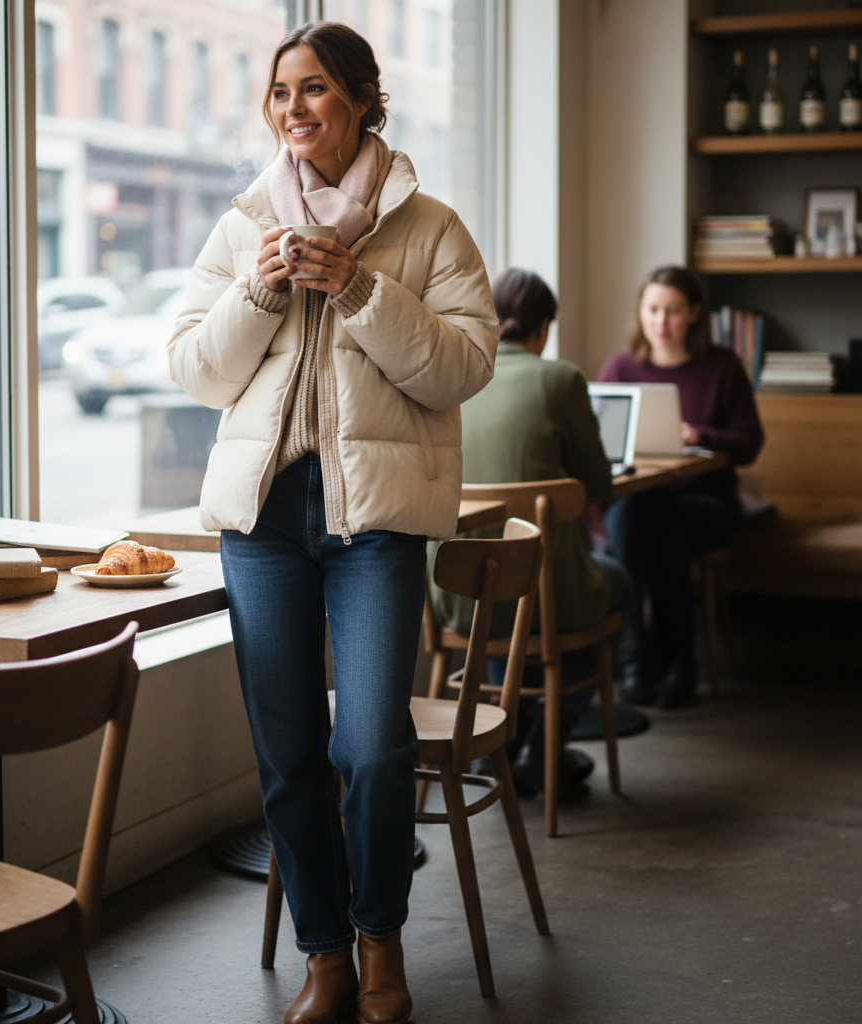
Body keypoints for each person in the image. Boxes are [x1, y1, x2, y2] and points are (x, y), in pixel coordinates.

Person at [168, 22, 498, 1024]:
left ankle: (381, 937)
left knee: (372, 745)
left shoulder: (427, 226)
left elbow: (463, 365)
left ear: (361, 99)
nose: (294, 110)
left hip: (376, 525)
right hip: (262, 520)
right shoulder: (241, 223)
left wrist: (357, 286)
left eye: (314, 90)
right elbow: (193, 367)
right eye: (280, 94)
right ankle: (325, 954)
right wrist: (263, 288)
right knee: (287, 748)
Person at [429, 269, 640, 800]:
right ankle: (545, 747)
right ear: (543, 328)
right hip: (544, 597)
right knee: (616, 585)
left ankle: (514, 740)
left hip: (454, 597)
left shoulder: (449, 376)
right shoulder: (560, 379)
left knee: (508, 591)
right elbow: (597, 483)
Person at [598, 265, 764, 709]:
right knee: (648, 519)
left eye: (672, 310)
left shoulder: (721, 367)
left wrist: (702, 435)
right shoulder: (621, 367)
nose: (661, 321)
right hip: (637, 505)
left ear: (693, 313)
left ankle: (643, 663)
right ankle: (671, 665)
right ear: (641, 312)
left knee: (657, 523)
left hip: (707, 503)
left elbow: (750, 443)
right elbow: (600, 442)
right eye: (653, 309)